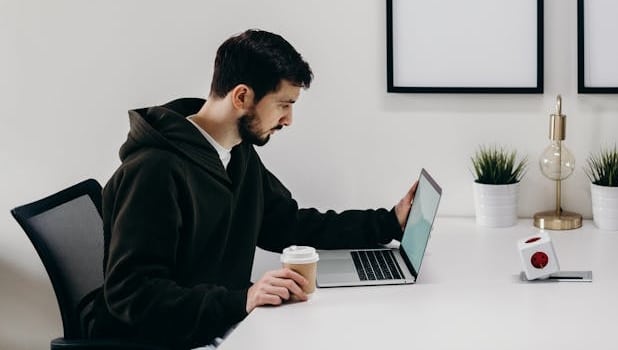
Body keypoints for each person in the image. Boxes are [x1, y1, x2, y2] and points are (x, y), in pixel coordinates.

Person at [83, 29, 416, 349]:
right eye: (283, 104)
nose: (289, 119)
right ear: (242, 96)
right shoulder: (153, 170)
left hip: (220, 326)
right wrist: (242, 300)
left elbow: (287, 223)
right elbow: (133, 294)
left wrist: (388, 222)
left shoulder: (237, 153)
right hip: (166, 340)